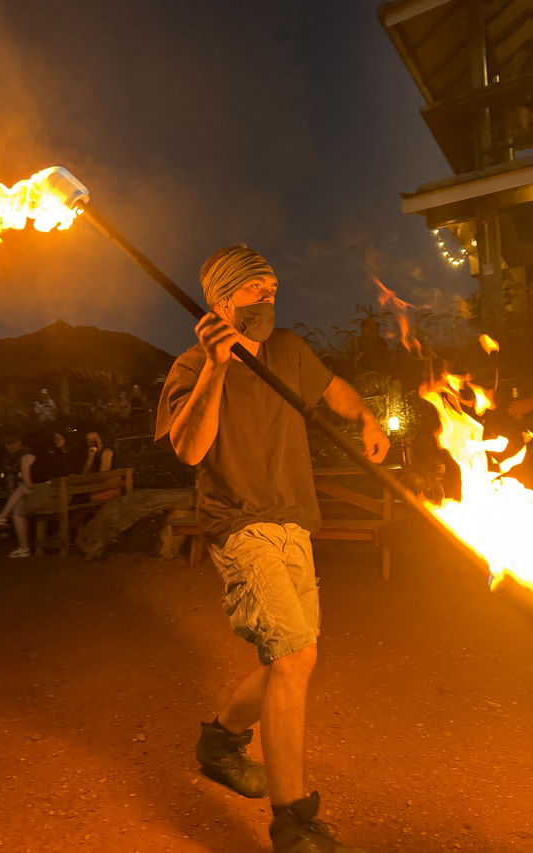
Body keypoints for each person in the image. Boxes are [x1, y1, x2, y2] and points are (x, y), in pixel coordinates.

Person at [155, 245, 389, 853]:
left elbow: (332, 388)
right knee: (291, 657)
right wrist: (215, 366)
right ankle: (294, 822)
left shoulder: (286, 349)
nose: (271, 294)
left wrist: (365, 416)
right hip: (239, 524)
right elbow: (189, 449)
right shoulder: (189, 366)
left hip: (294, 522)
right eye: (258, 288)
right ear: (223, 300)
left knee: (294, 656)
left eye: (273, 286)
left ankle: (220, 742)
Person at [0, 434, 55, 558]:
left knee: (18, 509)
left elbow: (28, 483)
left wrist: (26, 485)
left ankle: (5, 522)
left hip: (45, 498)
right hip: (59, 496)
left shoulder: (27, 457)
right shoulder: (52, 456)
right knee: (20, 498)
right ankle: (2, 519)